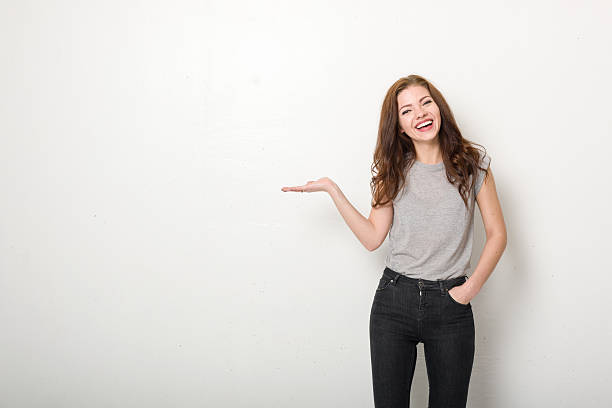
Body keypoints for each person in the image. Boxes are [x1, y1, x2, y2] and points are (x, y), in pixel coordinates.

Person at [281, 74, 507, 408]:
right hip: (393, 302)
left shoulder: (472, 166)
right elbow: (373, 237)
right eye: (407, 110)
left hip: (451, 306)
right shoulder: (394, 171)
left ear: (438, 107)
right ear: (400, 126)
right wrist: (333, 190)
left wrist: (469, 289)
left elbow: (498, 234)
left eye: (425, 102)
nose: (420, 113)